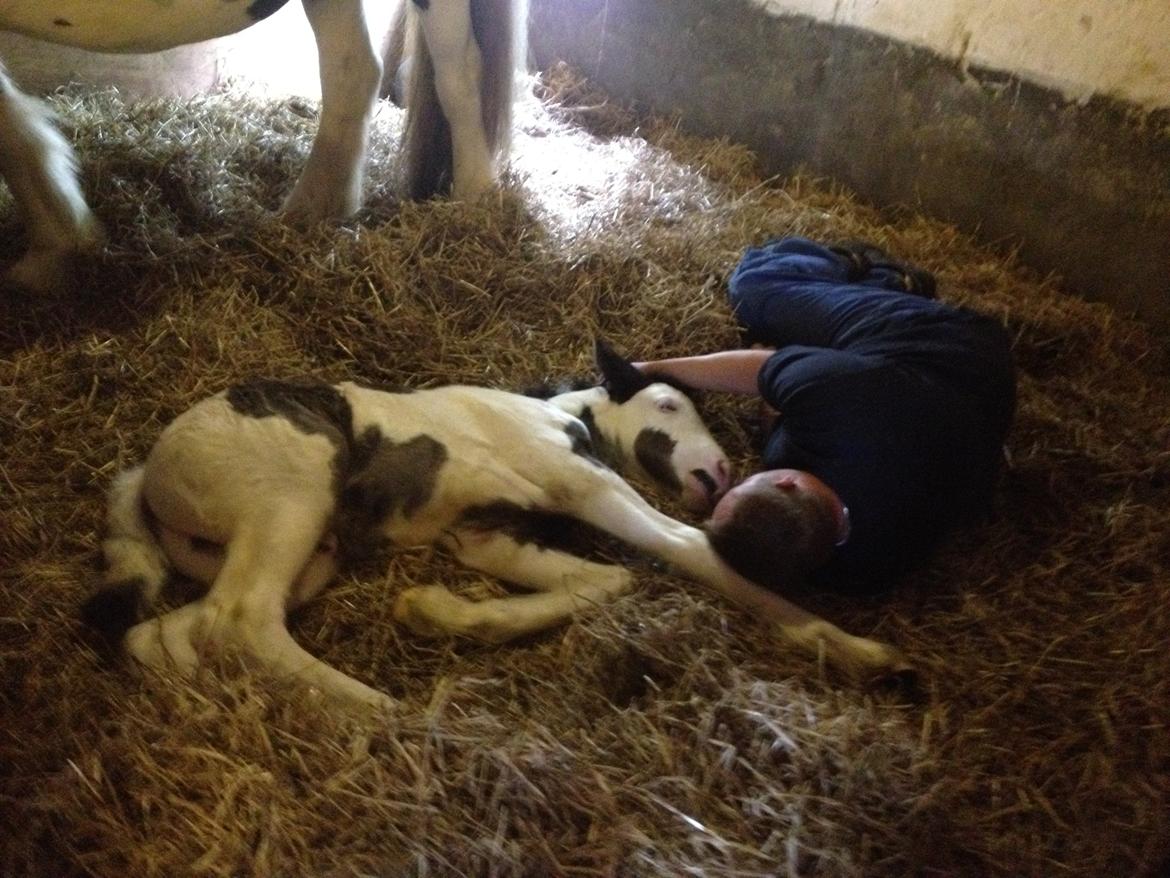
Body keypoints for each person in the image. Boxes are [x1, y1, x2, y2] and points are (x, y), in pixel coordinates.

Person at [637, 237, 1016, 593]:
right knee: (755, 286)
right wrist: (652, 368)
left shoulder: (860, 574)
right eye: (746, 481)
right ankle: (881, 277)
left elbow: (776, 410)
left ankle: (859, 291)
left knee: (768, 303)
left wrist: (775, 402)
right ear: (786, 484)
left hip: (973, 421)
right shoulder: (841, 406)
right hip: (948, 345)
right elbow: (764, 369)